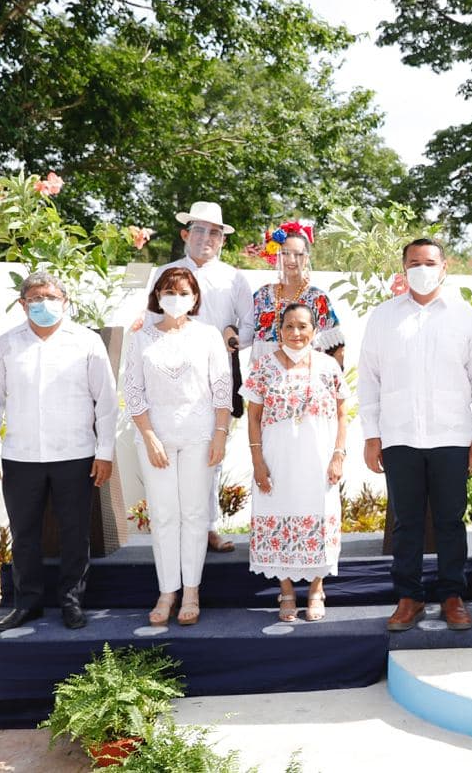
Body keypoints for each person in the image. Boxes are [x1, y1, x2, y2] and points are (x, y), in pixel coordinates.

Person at [360, 238, 472, 633]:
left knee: (451, 520)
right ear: (403, 269)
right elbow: (369, 380)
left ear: (444, 266)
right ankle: (409, 597)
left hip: (452, 435)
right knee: (407, 521)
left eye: (429, 261)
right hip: (399, 435)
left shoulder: (463, 316)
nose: (422, 268)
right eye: (414, 262)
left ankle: (452, 596)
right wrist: (371, 435)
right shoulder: (384, 318)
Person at [0, 272, 117, 631]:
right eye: (35, 298)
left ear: (65, 301)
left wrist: (105, 451)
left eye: (51, 297)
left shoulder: (86, 342)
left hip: (76, 453)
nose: (44, 304)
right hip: (21, 456)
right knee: (24, 534)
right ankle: (28, 604)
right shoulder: (6, 345)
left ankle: (71, 602)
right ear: (23, 304)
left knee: (75, 533)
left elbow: (106, 402)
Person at [123, 267, 233, 626]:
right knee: (164, 515)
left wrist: (220, 433)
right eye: (169, 291)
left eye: (184, 292)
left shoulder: (208, 335)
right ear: (157, 295)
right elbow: (133, 389)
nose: (176, 298)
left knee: (195, 514)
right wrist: (150, 435)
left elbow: (221, 387)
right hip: (155, 438)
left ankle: (191, 591)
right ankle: (167, 591)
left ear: (195, 297)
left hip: (200, 435)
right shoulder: (141, 338)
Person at [148, 200, 254, 552]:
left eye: (214, 232)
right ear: (184, 234)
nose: (206, 238)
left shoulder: (235, 278)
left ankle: (208, 526)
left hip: (217, 375)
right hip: (170, 376)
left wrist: (232, 339)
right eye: (199, 230)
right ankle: (175, 528)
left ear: (222, 240)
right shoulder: (164, 273)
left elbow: (250, 326)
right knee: (169, 448)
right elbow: (150, 323)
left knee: (212, 448)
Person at [241, 302, 350, 622]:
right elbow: (253, 416)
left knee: (319, 512)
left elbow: (343, 414)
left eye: (303, 326)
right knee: (278, 512)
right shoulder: (263, 366)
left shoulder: (329, 366)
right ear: (279, 331)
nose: (296, 332)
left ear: (314, 330)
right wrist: (257, 461)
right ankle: (286, 590)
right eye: (289, 326)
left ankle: (316, 589)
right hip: (278, 460)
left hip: (318, 461)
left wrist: (339, 455)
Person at [250, 223, 344, 365]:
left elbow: (336, 350)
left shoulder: (317, 298)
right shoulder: (262, 296)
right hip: (265, 380)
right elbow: (244, 334)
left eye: (298, 254)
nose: (291, 260)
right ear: (277, 256)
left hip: (306, 379)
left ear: (306, 259)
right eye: (285, 253)